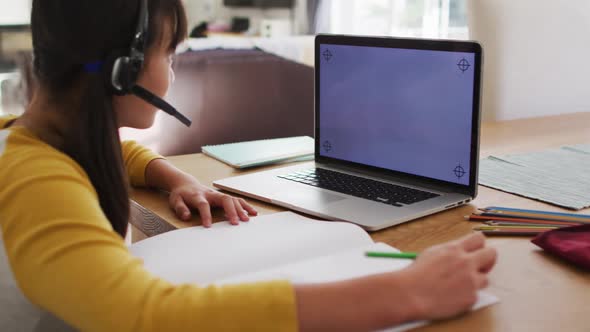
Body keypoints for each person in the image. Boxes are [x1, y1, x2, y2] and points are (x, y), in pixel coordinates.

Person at [0, 0, 497, 331]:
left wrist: (173, 176)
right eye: (169, 54)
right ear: (122, 70)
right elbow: (144, 317)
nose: (172, 69)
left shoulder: (39, 137)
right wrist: (407, 292)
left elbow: (110, 152)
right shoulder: (36, 181)